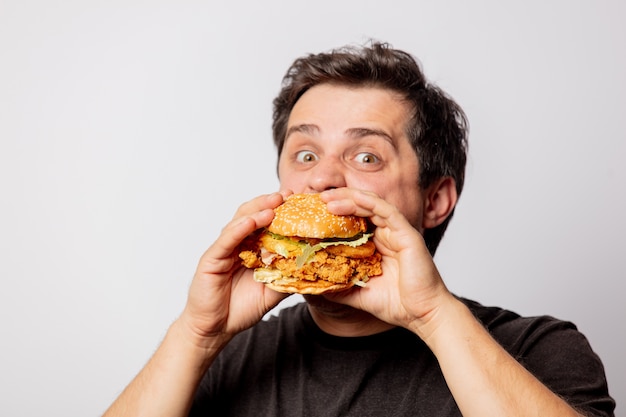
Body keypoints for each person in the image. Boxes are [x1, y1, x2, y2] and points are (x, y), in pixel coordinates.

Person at [103, 42, 615, 417]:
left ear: (434, 200)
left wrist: (434, 317)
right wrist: (196, 336)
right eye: (305, 153)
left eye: (366, 155)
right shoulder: (227, 358)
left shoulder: (538, 349)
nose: (322, 177)